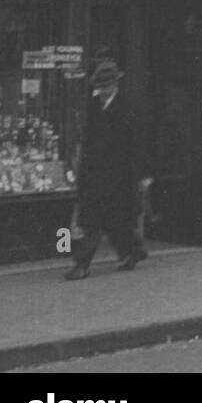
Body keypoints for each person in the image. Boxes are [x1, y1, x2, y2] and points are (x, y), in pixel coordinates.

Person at [64, 58, 150, 281]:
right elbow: (88, 140)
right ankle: (132, 251)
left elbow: (139, 142)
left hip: (120, 175)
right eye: (98, 87)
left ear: (115, 85)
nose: (101, 91)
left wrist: (143, 175)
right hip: (95, 173)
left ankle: (83, 265)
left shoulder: (127, 106)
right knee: (103, 220)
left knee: (102, 221)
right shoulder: (93, 107)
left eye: (105, 87)